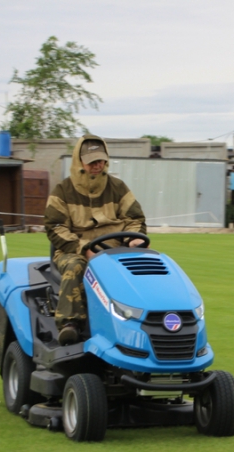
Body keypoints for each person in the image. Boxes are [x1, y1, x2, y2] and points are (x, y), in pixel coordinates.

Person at [43, 135, 147, 345]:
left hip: (115, 249)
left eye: (100, 160)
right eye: (92, 161)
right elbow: (55, 227)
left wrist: (134, 240)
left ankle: (144, 322)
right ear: (79, 161)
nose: (97, 165)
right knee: (75, 267)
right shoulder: (62, 191)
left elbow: (134, 219)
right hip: (73, 250)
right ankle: (70, 324)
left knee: (144, 266)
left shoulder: (118, 188)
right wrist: (84, 249)